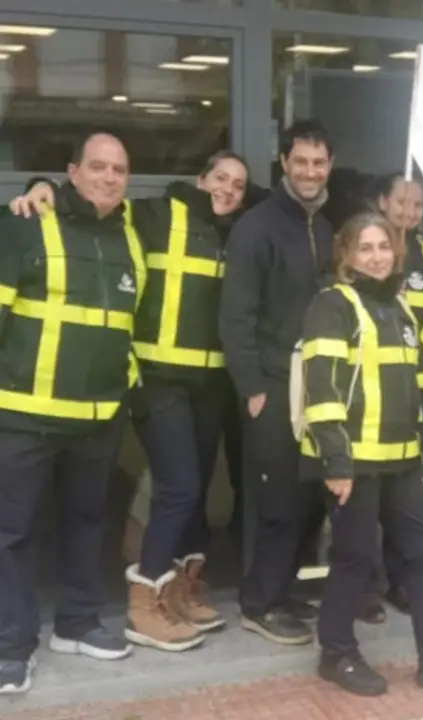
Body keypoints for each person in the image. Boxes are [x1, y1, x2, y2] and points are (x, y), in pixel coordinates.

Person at [9, 151, 256, 651]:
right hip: (155, 381)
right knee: (180, 489)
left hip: (206, 386)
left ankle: (178, 592)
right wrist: (43, 182)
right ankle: (144, 603)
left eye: (239, 184)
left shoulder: (235, 232)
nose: (227, 189)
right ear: (200, 177)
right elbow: (91, 202)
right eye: (220, 178)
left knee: (193, 493)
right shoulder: (155, 213)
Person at [299, 212, 423, 697]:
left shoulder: (403, 309)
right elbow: (321, 387)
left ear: (397, 253)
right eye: (364, 247)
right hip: (353, 461)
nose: (375, 256)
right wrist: (336, 462)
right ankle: (337, 654)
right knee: (354, 557)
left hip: (402, 459)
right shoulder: (333, 304)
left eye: (383, 247)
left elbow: (420, 377)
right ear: (346, 255)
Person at [0, 132, 144, 694]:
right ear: (72, 172)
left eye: (120, 169)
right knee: (12, 533)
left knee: (89, 523)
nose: (109, 178)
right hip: (23, 416)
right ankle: (12, 646)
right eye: (98, 167)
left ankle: (78, 622)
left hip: (98, 417)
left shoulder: (131, 237)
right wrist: (36, 190)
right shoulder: (24, 224)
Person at [219, 120, 336, 644]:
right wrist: (253, 387)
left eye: (318, 162)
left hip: (316, 388)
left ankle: (285, 589)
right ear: (284, 163)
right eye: (301, 161)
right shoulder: (258, 226)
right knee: (277, 500)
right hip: (272, 384)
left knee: (309, 498)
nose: (309, 172)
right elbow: (235, 316)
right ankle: (259, 602)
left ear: (328, 166)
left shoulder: (328, 227)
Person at [363, 173, 423, 619]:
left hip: (419, 389)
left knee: (410, 494)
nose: (410, 211)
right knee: (367, 493)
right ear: (383, 202)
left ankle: (401, 582)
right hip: (370, 391)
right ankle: (363, 586)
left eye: (418, 204)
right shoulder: (365, 246)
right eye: (402, 202)